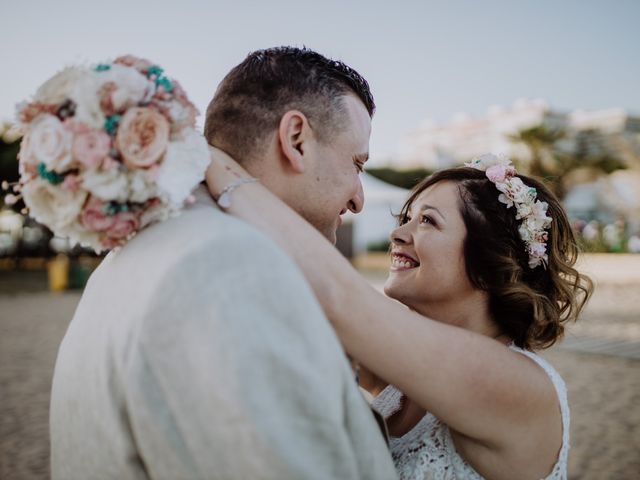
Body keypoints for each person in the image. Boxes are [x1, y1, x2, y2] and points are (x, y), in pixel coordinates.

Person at [49, 47, 398, 480]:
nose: (358, 199)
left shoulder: (133, 253)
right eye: (356, 164)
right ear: (296, 140)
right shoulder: (229, 267)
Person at [205, 149, 594, 480]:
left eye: (427, 220)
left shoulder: (519, 385)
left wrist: (203, 158)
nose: (398, 233)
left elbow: (339, 297)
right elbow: (297, 307)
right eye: (405, 218)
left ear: (491, 262)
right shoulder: (397, 378)